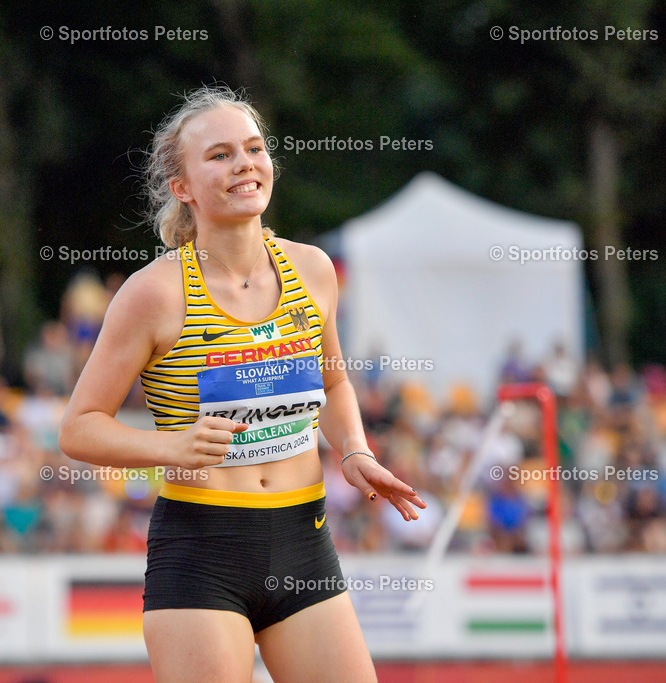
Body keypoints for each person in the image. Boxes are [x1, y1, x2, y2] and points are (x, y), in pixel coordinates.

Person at [59, 85, 425, 682]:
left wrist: (354, 450)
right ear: (182, 187)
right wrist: (167, 448)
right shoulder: (155, 293)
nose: (244, 164)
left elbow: (332, 387)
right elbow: (78, 428)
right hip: (203, 551)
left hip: (303, 543)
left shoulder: (312, 269)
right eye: (220, 155)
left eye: (254, 148)